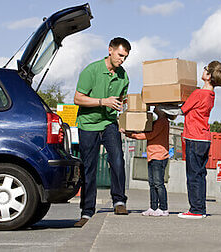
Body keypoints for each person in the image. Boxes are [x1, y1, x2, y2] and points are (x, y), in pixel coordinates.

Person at [73, 37, 131, 227]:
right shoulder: (92, 70)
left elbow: (120, 101)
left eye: (125, 57)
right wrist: (102, 101)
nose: (122, 60)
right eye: (120, 55)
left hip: (108, 123)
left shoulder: (124, 77)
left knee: (117, 159)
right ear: (110, 50)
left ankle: (119, 201)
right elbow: (78, 98)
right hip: (88, 124)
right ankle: (87, 211)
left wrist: (121, 112)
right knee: (89, 167)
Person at [178, 61, 221, 219]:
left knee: (193, 175)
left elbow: (181, 111)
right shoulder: (210, 94)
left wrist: (159, 109)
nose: (203, 70)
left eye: (206, 69)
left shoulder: (199, 93)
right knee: (200, 174)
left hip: (193, 137)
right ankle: (200, 208)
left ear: (208, 76)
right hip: (204, 138)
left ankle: (196, 210)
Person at [122, 106, 175, 217]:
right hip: (153, 156)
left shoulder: (162, 122)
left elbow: (149, 135)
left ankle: (163, 208)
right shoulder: (157, 122)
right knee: (152, 184)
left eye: (157, 107)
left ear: (163, 111)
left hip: (159, 156)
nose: (154, 108)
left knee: (158, 183)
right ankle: (153, 207)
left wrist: (131, 135)